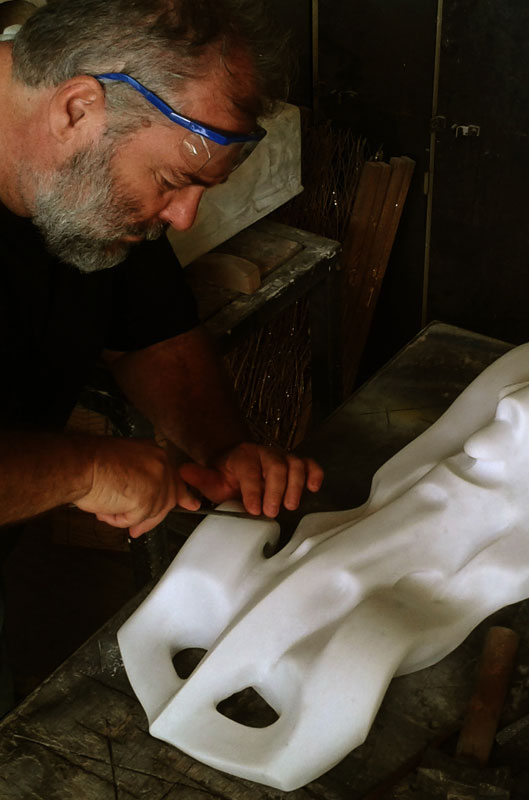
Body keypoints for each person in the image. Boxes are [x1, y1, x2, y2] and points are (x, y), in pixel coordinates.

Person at [0, 0, 323, 540]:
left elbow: (151, 331)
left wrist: (224, 449)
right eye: (172, 181)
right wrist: (86, 470)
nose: (183, 217)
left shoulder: (89, 178)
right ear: (76, 110)